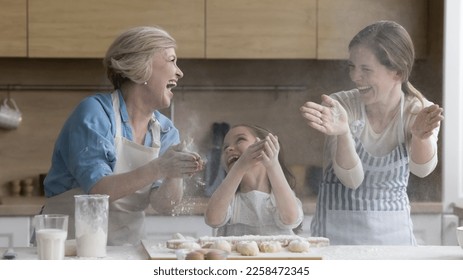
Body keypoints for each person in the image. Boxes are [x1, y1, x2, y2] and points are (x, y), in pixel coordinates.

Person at [42, 26, 203, 246]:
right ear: (141, 66)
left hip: (126, 250)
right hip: (68, 247)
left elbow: (164, 204)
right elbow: (99, 190)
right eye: (171, 60)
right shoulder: (95, 113)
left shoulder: (164, 130)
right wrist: (160, 167)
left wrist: (175, 173)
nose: (179, 72)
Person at [300, 20, 444, 245]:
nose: (355, 77)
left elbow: (422, 169)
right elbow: (351, 179)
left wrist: (419, 136)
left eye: (366, 69)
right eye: (352, 67)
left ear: (397, 72)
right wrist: (344, 133)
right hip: (337, 241)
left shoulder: (419, 110)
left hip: (395, 243)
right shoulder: (341, 106)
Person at [204, 124, 304, 236]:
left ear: (266, 147)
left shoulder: (280, 197)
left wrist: (273, 165)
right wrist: (239, 168)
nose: (229, 149)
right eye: (225, 147)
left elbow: (290, 218)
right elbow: (212, 219)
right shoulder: (229, 199)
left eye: (240, 140)